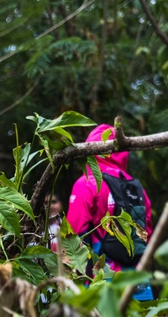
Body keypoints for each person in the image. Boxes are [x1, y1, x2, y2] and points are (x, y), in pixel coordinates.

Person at [66, 123, 154, 300]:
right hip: (137, 282)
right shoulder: (137, 188)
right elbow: (148, 233)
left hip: (101, 284)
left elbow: (74, 233)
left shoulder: (87, 183)